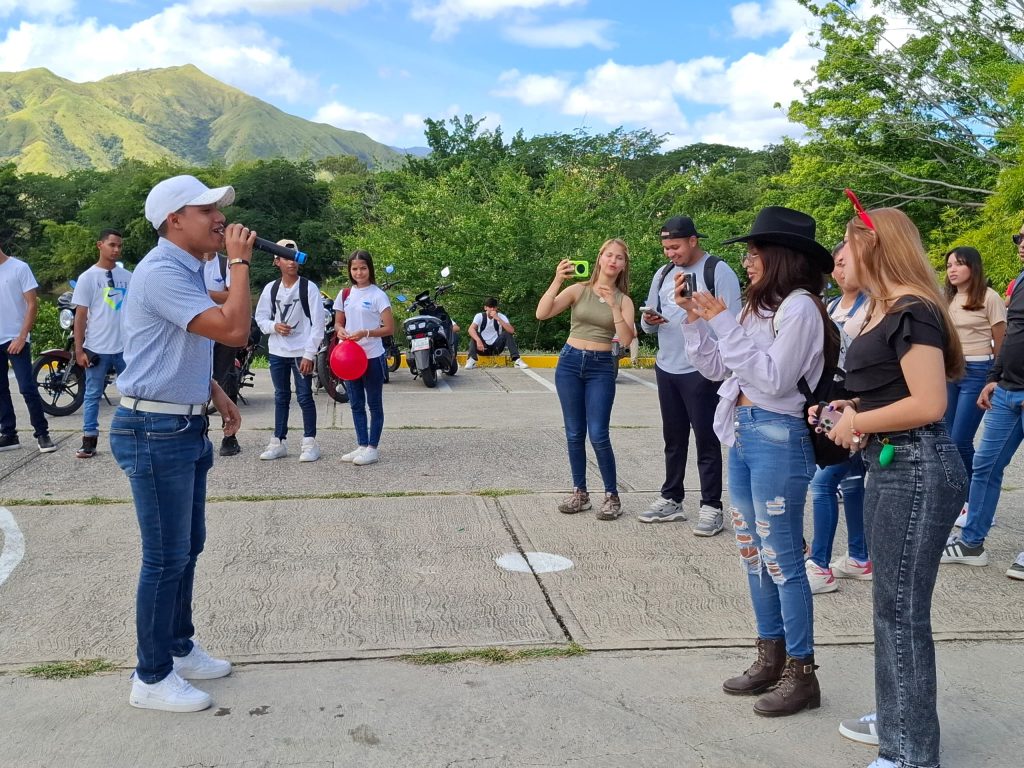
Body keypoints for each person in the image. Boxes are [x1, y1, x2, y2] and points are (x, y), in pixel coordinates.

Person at [826, 198, 966, 768]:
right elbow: (895, 391)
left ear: (874, 245)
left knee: (900, 611)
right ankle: (898, 718)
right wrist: (854, 408)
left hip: (917, 466)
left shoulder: (913, 310)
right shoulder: (887, 310)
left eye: (849, 241)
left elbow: (929, 404)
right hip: (893, 464)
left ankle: (910, 753)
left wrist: (859, 422)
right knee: (891, 607)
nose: (842, 253)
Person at [680, 206, 834, 717]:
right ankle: (770, 657)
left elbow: (771, 379)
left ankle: (802, 674)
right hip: (744, 432)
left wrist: (722, 319)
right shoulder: (757, 309)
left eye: (754, 253)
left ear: (780, 257)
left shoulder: (801, 309)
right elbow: (717, 368)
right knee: (754, 553)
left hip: (778, 435)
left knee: (783, 559)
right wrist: (697, 322)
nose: (747, 262)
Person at [112, 174, 254, 712]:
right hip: (153, 431)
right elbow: (234, 330)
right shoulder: (161, 272)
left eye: (220, 209)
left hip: (181, 426)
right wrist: (239, 262)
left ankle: (178, 646)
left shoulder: (185, 269)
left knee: (187, 548)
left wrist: (214, 392)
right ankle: (150, 677)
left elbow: (174, 347)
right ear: (175, 220)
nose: (221, 218)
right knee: (164, 557)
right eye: (207, 210)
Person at [639, 215, 741, 534]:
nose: (670, 253)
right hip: (667, 366)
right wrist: (648, 321)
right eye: (666, 248)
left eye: (676, 247)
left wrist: (696, 315)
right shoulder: (663, 273)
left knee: (707, 440)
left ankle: (711, 506)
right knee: (673, 438)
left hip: (703, 370)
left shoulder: (717, 271)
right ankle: (671, 498)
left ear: (693, 241)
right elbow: (647, 322)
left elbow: (733, 324)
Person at [942, 223, 1024, 580]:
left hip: (990, 376)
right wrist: (995, 378)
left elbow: (1000, 334)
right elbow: (1013, 338)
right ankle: (972, 542)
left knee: (964, 443)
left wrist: (987, 373)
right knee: (985, 467)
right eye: (1018, 237)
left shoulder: (989, 296)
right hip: (1002, 388)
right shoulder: (1020, 282)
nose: (1020, 243)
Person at [536, 239, 635, 520]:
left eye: (619, 257)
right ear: (599, 258)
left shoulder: (624, 300)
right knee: (574, 432)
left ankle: (612, 496)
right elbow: (542, 313)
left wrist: (614, 306)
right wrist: (557, 280)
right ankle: (580, 493)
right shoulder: (579, 290)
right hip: (569, 362)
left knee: (599, 433)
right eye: (609, 255)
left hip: (601, 366)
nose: (613, 261)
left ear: (623, 265)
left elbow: (626, 340)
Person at [805, 242, 871, 594]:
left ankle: (819, 565)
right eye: (836, 264)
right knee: (851, 478)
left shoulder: (874, 306)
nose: (839, 269)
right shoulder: (830, 306)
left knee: (824, 481)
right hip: (834, 405)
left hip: (859, 405)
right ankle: (859, 556)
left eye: (846, 262)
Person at [942, 246, 1006, 525]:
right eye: (949, 265)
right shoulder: (948, 298)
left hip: (979, 371)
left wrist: (995, 378)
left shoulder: (990, 298)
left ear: (973, 267)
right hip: (951, 371)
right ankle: (960, 499)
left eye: (958, 264)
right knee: (947, 438)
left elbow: (1001, 342)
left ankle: (975, 504)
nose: (952, 270)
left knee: (961, 440)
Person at [254, 239, 325, 463]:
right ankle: (278, 441)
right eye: (285, 258)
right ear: (277, 261)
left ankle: (309, 442)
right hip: (278, 351)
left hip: (300, 351)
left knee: (304, 396)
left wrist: (309, 354)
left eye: (294, 257)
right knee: (281, 396)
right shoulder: (271, 288)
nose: (291, 262)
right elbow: (260, 318)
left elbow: (318, 324)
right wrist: (274, 326)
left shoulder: (308, 288)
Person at [71, 230, 132, 459]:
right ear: (100, 245)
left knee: (132, 393)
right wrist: (79, 349)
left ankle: (131, 435)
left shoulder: (128, 276)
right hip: (97, 347)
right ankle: (89, 439)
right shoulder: (88, 277)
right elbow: (80, 316)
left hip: (125, 348)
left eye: (119, 246)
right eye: (112, 245)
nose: (116, 249)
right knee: (92, 395)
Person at [335, 249, 394, 466]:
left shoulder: (378, 295)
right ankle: (361, 444)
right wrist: (341, 330)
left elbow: (389, 328)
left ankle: (372, 448)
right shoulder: (345, 294)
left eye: (363, 268)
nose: (359, 272)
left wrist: (366, 333)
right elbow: (338, 322)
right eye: (354, 269)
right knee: (356, 403)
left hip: (372, 356)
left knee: (374, 404)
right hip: (349, 357)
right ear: (349, 270)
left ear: (370, 269)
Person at [0, 247, 57, 453]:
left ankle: (42, 433)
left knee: (26, 387)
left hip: (17, 338)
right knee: (0, 389)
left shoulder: (19, 268)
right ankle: (9, 434)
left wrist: (22, 337)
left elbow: (32, 304)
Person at [203, 251, 243, 456]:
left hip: (223, 327)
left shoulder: (224, 264)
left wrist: (203, 292)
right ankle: (200, 431)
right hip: (199, 328)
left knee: (227, 379)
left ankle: (229, 436)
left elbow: (233, 296)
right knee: (198, 379)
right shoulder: (190, 261)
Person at [465, 297, 528, 369]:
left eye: (494, 307)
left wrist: (498, 319)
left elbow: (511, 331)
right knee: (474, 333)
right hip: (482, 347)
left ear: (496, 308)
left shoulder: (501, 316)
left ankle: (516, 360)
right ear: (485, 308)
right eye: (490, 307)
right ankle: (471, 360)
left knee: (507, 333)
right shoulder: (479, 316)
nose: (492, 309)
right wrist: (478, 340)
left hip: (496, 348)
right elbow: (470, 329)